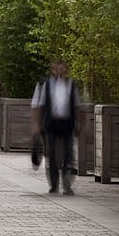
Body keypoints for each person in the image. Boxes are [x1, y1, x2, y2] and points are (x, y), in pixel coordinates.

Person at [32, 59, 81, 195]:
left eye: (62, 69)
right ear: (54, 70)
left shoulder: (71, 85)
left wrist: (80, 122)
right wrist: (37, 124)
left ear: (66, 70)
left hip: (67, 123)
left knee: (69, 154)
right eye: (57, 69)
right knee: (51, 154)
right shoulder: (47, 85)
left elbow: (76, 106)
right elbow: (41, 106)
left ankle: (67, 184)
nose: (60, 72)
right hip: (51, 123)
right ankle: (54, 185)